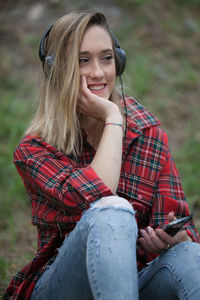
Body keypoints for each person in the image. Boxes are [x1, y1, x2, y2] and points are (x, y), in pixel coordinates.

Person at [3, 9, 200, 300]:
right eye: (83, 61)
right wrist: (112, 116)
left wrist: (174, 239)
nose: (98, 72)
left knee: (190, 254)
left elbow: (180, 223)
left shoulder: (146, 132)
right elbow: (98, 196)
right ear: (57, 70)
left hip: (136, 281)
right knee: (111, 210)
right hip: (64, 288)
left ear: (118, 62)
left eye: (107, 58)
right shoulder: (34, 151)